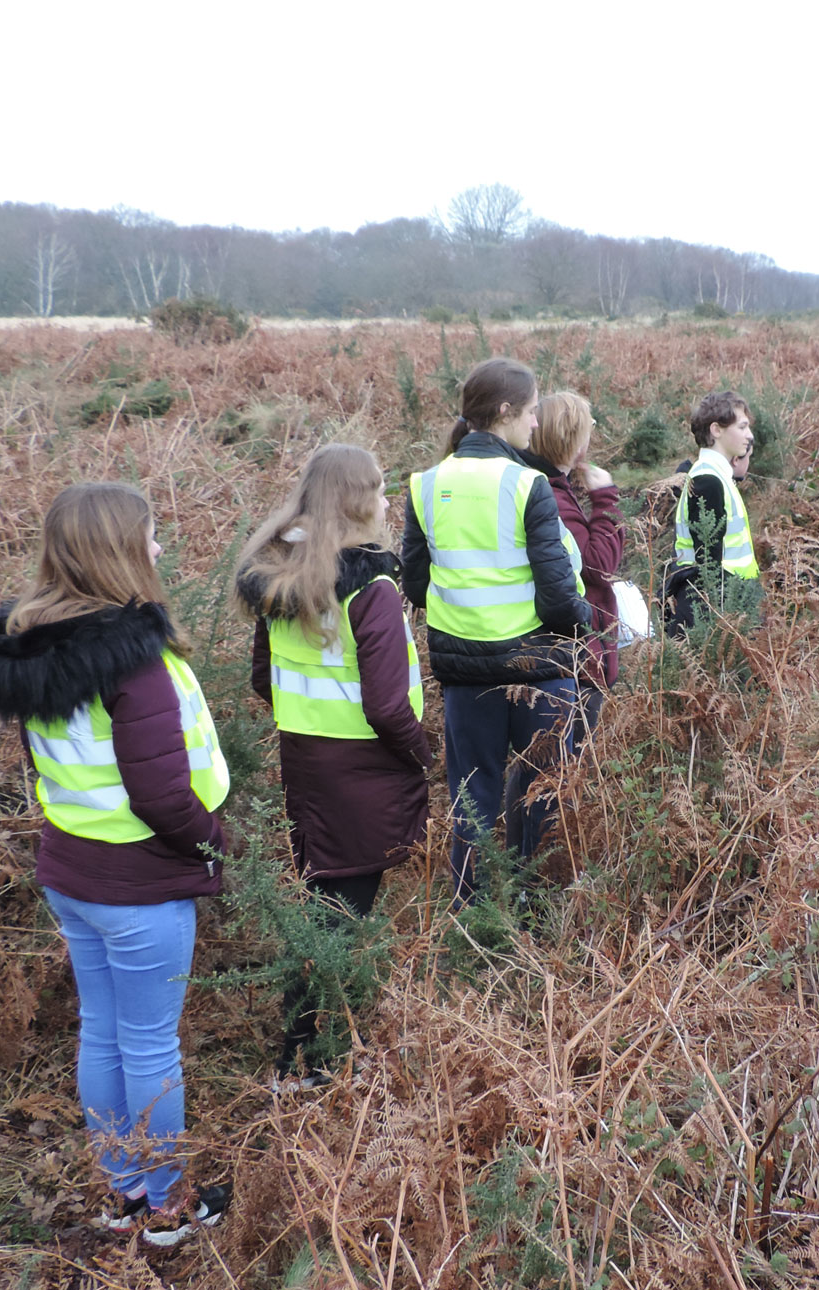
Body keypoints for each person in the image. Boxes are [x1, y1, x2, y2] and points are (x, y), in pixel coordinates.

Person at [0, 482, 230, 1247]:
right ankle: (169, 1208)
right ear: (118, 551)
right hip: (140, 885)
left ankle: (123, 1194)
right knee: (150, 1043)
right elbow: (160, 794)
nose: (159, 549)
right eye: (150, 536)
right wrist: (214, 844)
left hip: (72, 876)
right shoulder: (135, 665)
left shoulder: (35, 655)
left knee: (103, 1031)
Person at [235, 444, 431, 1082]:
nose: (385, 501)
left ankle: (307, 1049)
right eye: (378, 489)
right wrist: (422, 756)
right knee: (337, 917)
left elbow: (263, 679)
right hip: (364, 770)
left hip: (306, 762)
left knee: (325, 900)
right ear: (357, 501)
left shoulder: (285, 574)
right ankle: (303, 1061)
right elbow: (385, 703)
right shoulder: (371, 583)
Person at [401, 357, 594, 903]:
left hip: (465, 677)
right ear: (506, 412)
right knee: (540, 791)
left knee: (472, 796)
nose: (536, 424)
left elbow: (415, 585)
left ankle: (474, 916)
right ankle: (529, 905)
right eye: (532, 412)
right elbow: (559, 596)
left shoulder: (425, 484)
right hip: (536, 671)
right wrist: (589, 623)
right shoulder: (527, 483)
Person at [523, 389, 625, 726]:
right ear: (570, 437)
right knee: (559, 767)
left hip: (568, 655)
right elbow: (597, 565)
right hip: (574, 657)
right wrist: (606, 500)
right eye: (588, 427)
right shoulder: (551, 496)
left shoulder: (550, 487)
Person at [665, 389, 759, 636]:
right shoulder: (708, 480)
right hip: (712, 608)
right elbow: (708, 563)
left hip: (725, 601)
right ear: (716, 430)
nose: (749, 435)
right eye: (742, 427)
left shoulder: (716, 476)